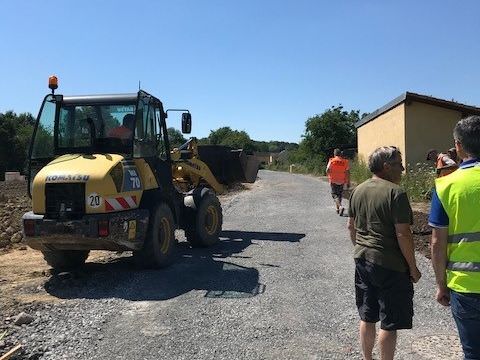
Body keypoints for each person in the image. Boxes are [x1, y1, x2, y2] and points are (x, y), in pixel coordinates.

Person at [347, 146, 421, 360]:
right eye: (399, 164)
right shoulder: (396, 193)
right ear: (386, 166)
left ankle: (367, 358)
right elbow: (403, 234)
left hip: (362, 259)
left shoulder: (358, 190)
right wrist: (413, 268)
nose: (403, 168)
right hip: (390, 265)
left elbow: (351, 227)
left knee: (368, 316)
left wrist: (360, 248)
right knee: (389, 321)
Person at [428, 115, 480, 360]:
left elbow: (437, 243)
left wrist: (440, 284)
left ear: (458, 146)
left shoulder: (445, 185)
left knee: (472, 352)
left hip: (465, 285)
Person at [326, 148, 350, 215]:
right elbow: (347, 172)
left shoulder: (332, 160)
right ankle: (338, 209)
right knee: (339, 195)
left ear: (334, 154)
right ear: (340, 154)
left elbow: (327, 170)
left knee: (334, 195)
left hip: (333, 180)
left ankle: (340, 207)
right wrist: (348, 181)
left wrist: (330, 173)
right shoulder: (345, 161)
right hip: (342, 180)